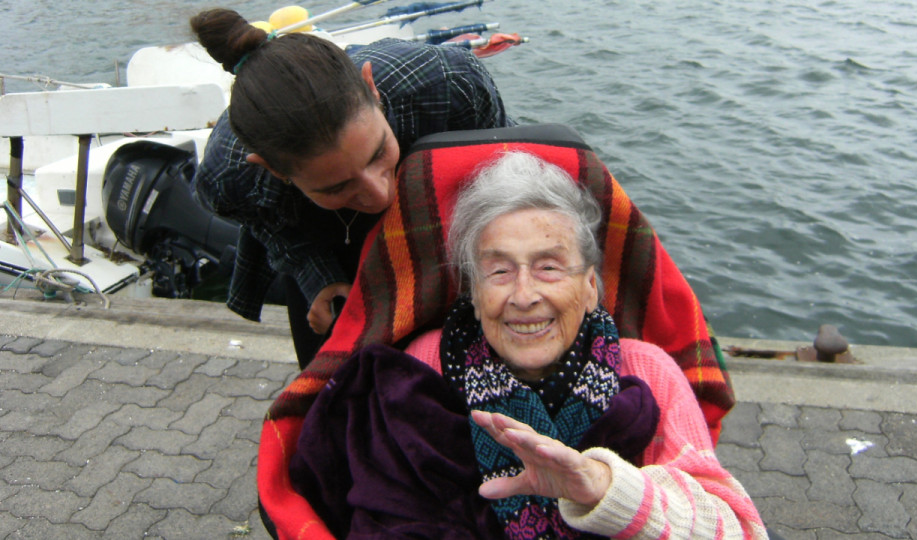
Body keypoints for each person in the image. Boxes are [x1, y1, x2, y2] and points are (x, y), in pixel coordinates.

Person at [286, 151, 766, 538]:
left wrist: (602, 488)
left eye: (549, 267)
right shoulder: (422, 367)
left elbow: (740, 529)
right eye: (498, 271)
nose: (523, 295)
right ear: (473, 294)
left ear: (591, 286)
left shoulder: (648, 372)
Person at [189, 8, 514, 368]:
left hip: (447, 216)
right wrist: (317, 274)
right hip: (322, 234)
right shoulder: (228, 179)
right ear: (273, 169)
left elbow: (507, 175)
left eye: (378, 153)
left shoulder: (450, 83)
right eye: (336, 186)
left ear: (372, 88)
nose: (380, 195)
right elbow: (269, 225)